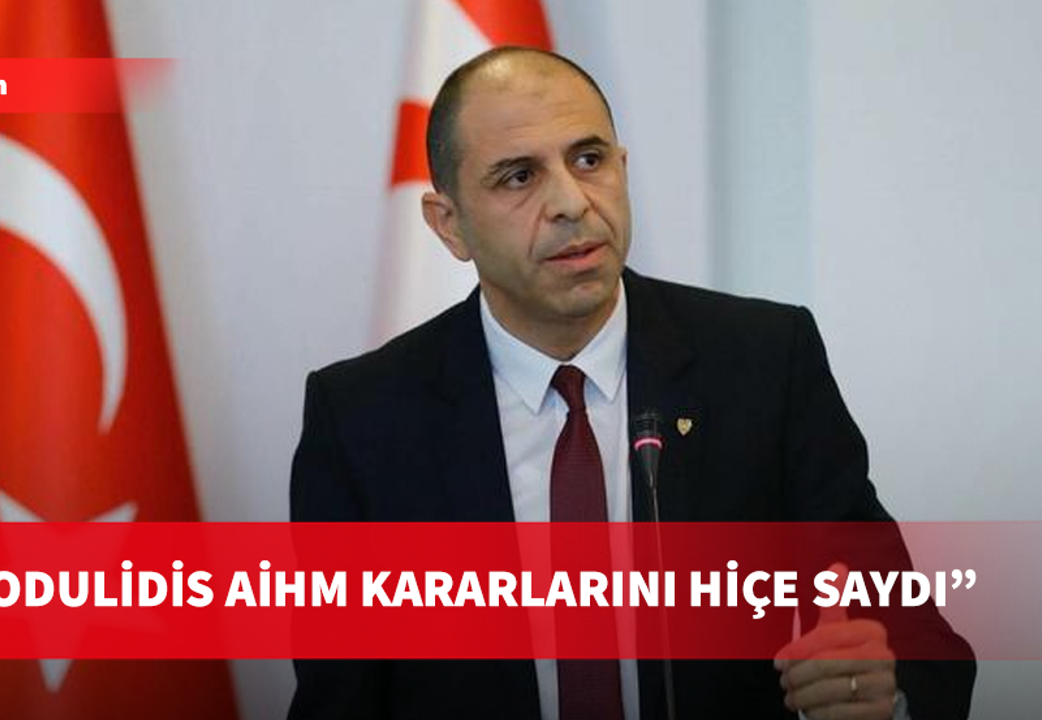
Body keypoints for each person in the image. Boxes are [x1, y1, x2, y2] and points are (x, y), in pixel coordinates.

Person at [288, 47, 974, 720]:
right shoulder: (362, 419)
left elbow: (918, 644)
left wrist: (885, 692)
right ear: (450, 225)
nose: (571, 203)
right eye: (519, 176)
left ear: (622, 168)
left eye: (589, 160)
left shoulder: (763, 364)